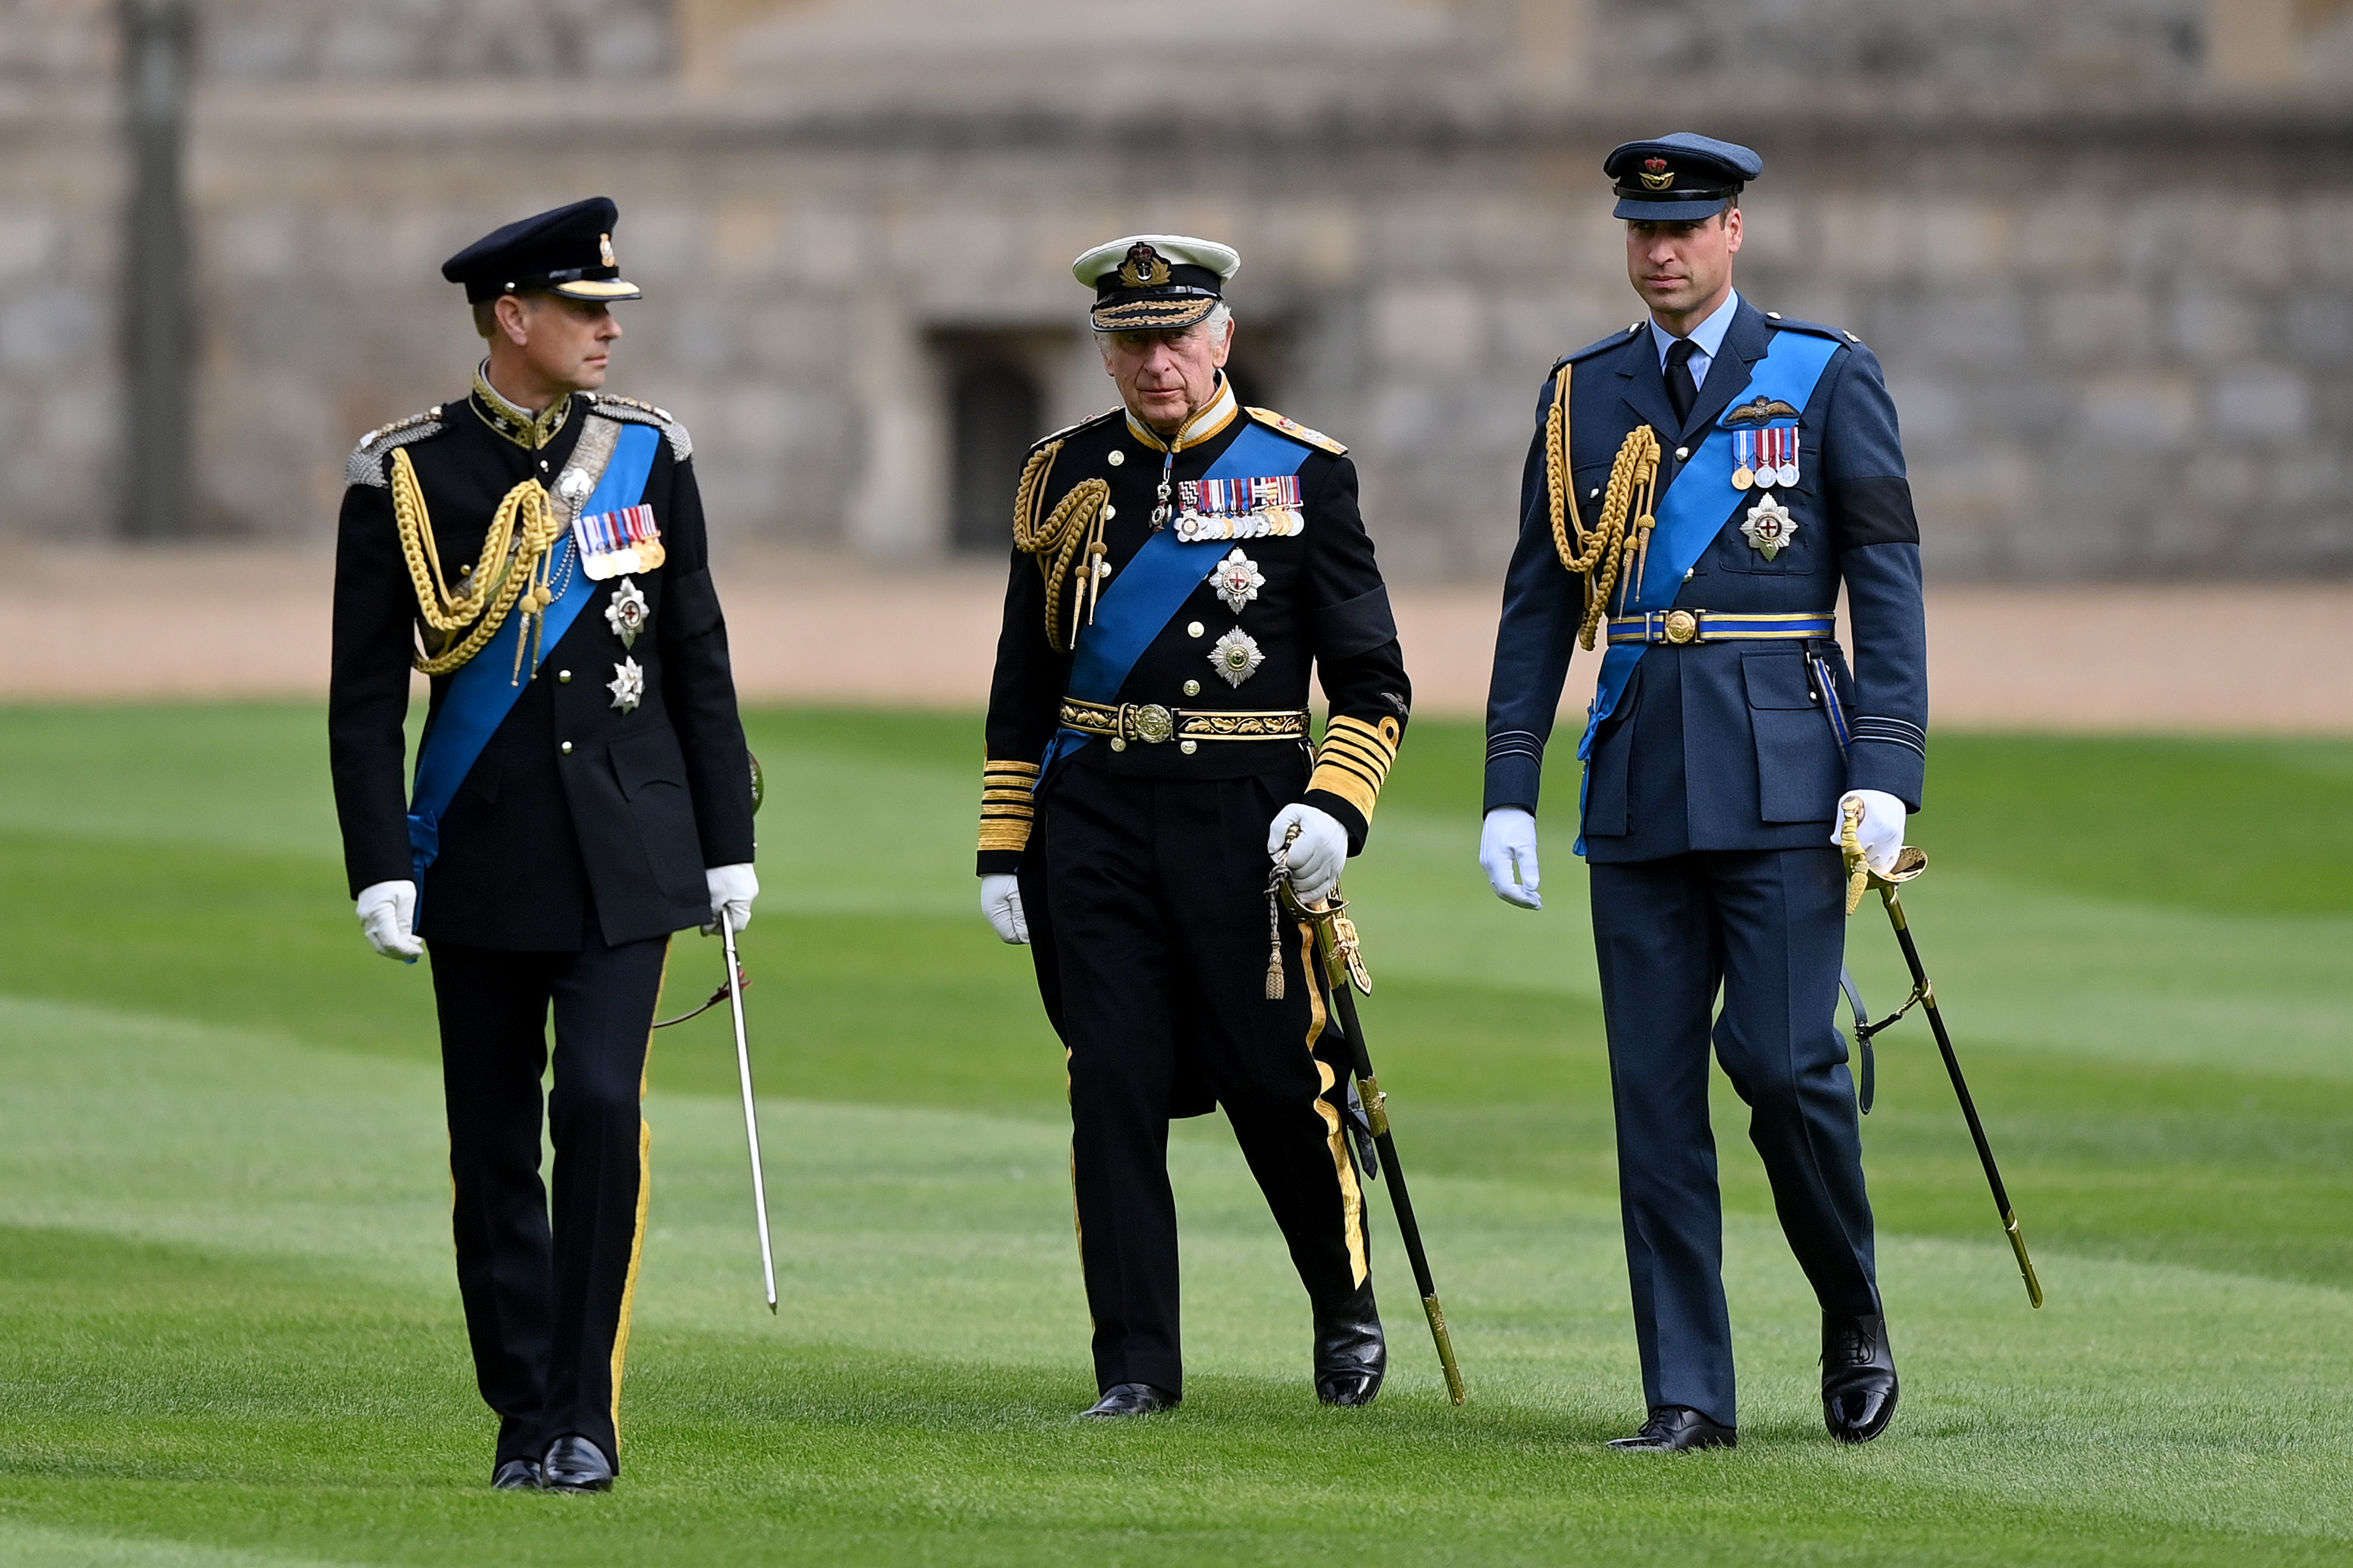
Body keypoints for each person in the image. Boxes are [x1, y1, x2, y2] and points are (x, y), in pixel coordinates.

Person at [1479, 134, 1926, 1451]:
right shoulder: (1582, 393)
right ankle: (1686, 1393)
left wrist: (1886, 772)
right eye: (1639, 230)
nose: (1659, 250)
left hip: (1787, 771)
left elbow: (1886, 584)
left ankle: (1849, 1304)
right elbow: (1535, 599)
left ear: (1734, 232)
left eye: (1684, 228)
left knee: (1785, 1066)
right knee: (1654, 1097)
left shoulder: (1825, 376)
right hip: (1634, 776)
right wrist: (1510, 782)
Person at [328, 197, 759, 1491]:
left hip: (630, 849)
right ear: (511, 317)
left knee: (602, 1106)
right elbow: (362, 698)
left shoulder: (649, 454)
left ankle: (585, 1412)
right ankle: (523, 1407)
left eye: (609, 311)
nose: (605, 332)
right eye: (583, 311)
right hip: (485, 848)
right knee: (495, 1146)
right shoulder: (407, 474)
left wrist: (726, 843)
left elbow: (695, 652)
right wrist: (379, 862)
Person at [977, 234, 1413, 1417]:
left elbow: (1372, 681)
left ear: (1223, 338)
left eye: (1175, 336)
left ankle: (1343, 1304)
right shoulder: (1056, 473)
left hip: (1245, 825)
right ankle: (1133, 1364)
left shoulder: (1303, 473)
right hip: (1096, 820)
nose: (1154, 362)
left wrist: (1334, 804)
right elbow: (1025, 674)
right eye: (1129, 340)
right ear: (1104, 350)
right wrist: (1003, 843)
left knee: (1277, 1079)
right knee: (1108, 1081)